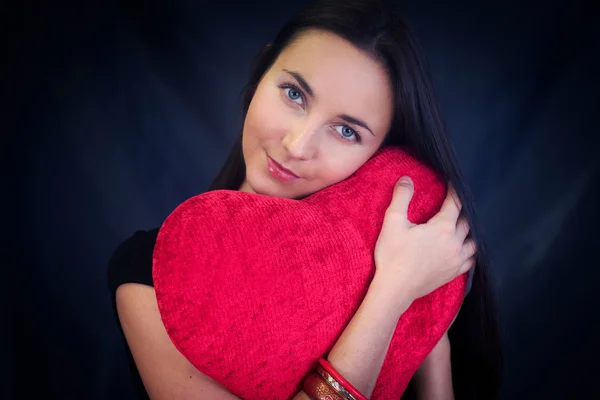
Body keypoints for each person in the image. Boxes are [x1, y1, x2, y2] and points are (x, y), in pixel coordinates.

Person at [108, 0, 502, 398]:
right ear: (261, 74)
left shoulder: (413, 260)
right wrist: (392, 294)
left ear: (380, 153)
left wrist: (428, 322)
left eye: (346, 131)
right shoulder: (153, 271)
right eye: (294, 94)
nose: (297, 146)